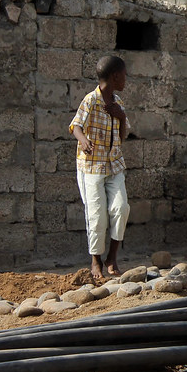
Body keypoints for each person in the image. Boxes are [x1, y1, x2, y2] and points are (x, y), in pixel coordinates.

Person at [70, 55, 130, 280]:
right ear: (115, 77)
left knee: (121, 209)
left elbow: (122, 137)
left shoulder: (118, 104)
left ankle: (112, 258)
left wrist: (121, 117)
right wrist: (83, 140)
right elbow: (75, 125)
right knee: (96, 216)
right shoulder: (91, 100)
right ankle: (95, 261)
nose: (126, 80)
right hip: (91, 167)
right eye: (124, 76)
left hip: (114, 165)